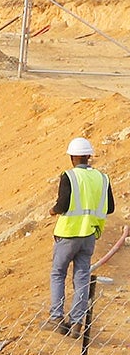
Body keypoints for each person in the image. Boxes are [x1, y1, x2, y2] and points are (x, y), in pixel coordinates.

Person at [49, 137, 113, 335]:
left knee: (58, 273)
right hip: (90, 235)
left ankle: (57, 317)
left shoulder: (69, 176)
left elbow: (63, 205)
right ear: (88, 156)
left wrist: (53, 211)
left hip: (68, 233)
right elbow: (110, 207)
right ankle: (77, 322)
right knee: (82, 275)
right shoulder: (103, 178)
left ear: (72, 158)